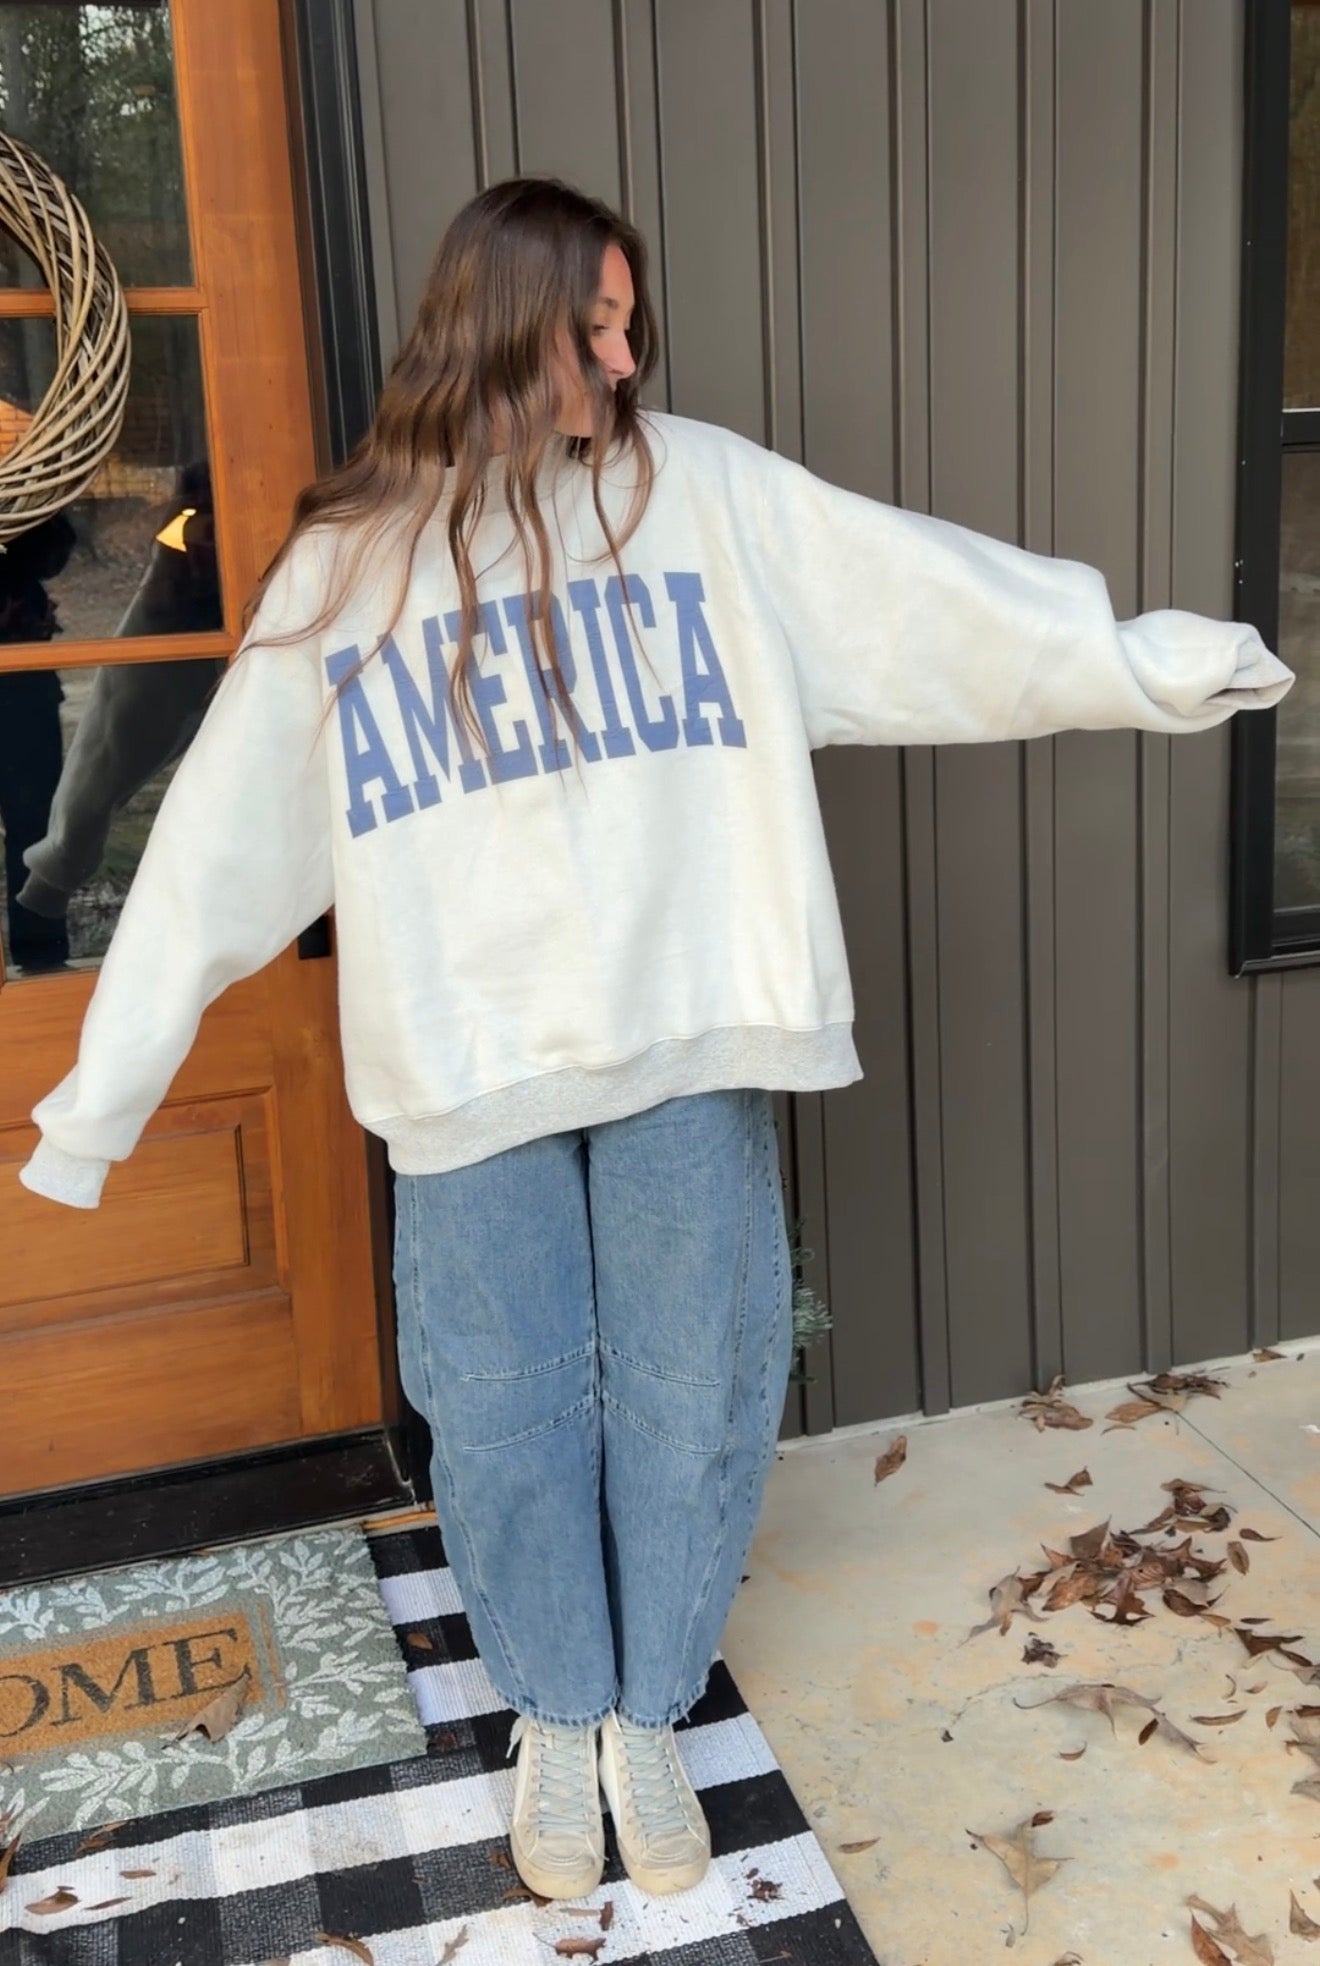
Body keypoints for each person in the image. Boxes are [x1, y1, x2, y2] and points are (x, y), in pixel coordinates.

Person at [16, 177, 1292, 1904]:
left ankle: (644, 1708)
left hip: (694, 1019)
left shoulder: (708, 496)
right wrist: (101, 1098)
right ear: (494, 325)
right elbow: (222, 849)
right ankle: (556, 1707)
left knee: (697, 1388)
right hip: (471, 1062)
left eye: (633, 324)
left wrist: (1132, 660)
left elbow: (923, 599)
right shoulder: (352, 562)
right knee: (508, 1405)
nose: (623, 361)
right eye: (591, 328)